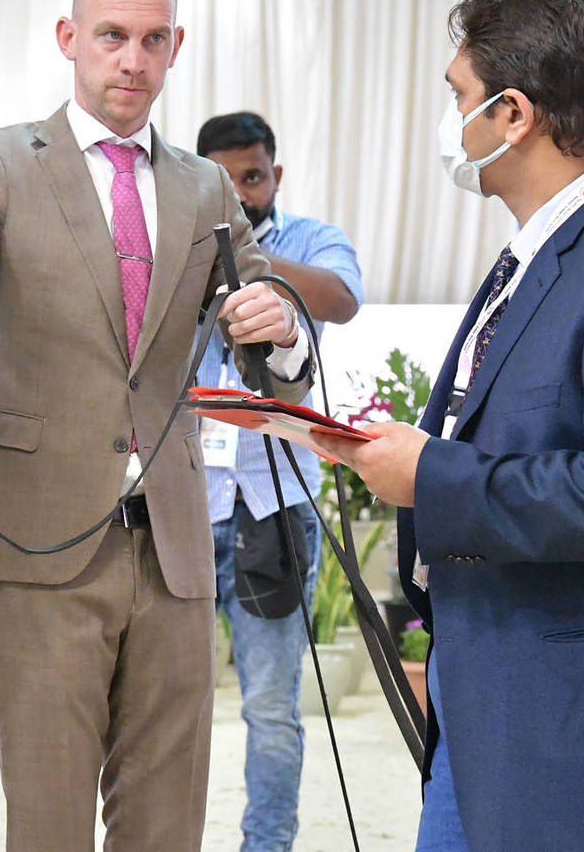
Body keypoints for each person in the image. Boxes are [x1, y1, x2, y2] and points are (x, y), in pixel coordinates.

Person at [0, 0, 312, 852]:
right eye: (110, 35)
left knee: (168, 829)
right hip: (36, 543)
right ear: (69, 35)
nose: (131, 60)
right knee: (49, 827)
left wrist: (282, 326)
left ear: (176, 46)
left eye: (151, 38)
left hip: (176, 551)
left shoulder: (208, 185)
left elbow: (266, 323)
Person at [318, 0, 584, 852]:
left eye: (457, 97)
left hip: (578, 729)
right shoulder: (547, 242)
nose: (451, 121)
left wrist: (431, 474)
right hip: (489, 700)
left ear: (515, 115)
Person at [192, 111, 363, 852]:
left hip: (275, 502)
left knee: (269, 705)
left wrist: (244, 255)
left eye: (251, 178)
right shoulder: (178, 247)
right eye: (221, 181)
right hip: (185, 506)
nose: (239, 190)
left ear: (275, 175)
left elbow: (341, 299)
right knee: (165, 702)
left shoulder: (310, 240)